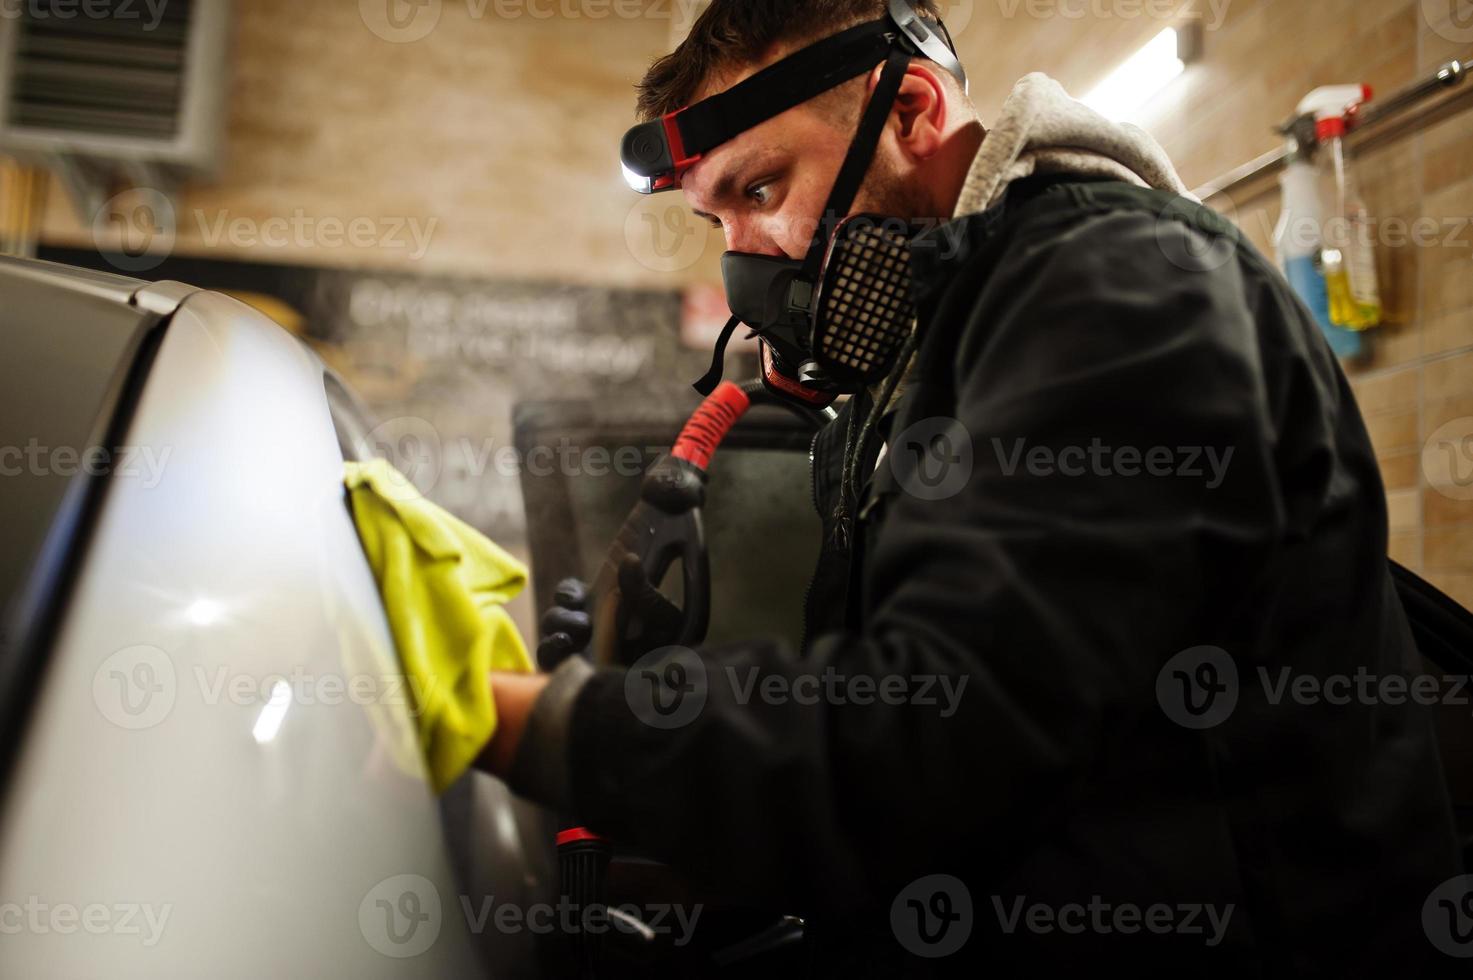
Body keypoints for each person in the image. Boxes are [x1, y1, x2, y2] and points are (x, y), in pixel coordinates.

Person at [478, 1, 1464, 975]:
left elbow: (935, 737)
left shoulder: (1123, 291)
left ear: (909, 111)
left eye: (764, 188)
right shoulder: (923, 360)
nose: (747, 254)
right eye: (717, 218)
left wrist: (544, 723)